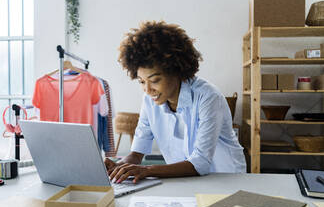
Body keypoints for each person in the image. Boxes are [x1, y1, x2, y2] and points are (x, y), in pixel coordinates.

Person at [105, 21, 246, 184]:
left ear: (176, 71)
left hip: (227, 179)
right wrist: (118, 167)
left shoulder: (208, 97)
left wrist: (146, 170)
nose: (148, 90)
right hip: (185, 179)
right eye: (142, 82)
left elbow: (199, 163)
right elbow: (136, 154)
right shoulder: (149, 100)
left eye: (155, 80)